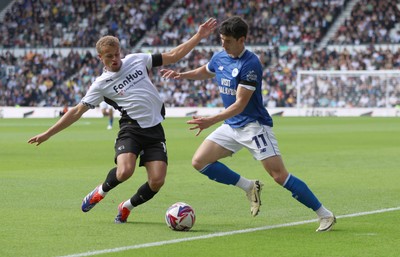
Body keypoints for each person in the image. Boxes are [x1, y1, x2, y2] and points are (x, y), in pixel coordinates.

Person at [27, 18, 217, 223]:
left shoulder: (136, 59)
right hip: (131, 129)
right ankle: (100, 191)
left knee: (157, 181)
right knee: (125, 171)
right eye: (109, 56)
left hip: (154, 130)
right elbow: (76, 111)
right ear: (101, 58)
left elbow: (172, 56)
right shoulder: (100, 85)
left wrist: (199, 36)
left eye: (117, 54)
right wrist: (47, 134)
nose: (115, 59)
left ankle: (126, 206)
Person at [161, 16, 336, 232]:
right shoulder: (220, 57)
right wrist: (181, 75)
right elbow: (206, 71)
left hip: (254, 126)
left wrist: (210, 120)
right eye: (221, 39)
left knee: (279, 176)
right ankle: (249, 186)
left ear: (241, 40)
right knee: (200, 162)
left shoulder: (250, 64)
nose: (223, 44)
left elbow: (240, 104)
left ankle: (324, 214)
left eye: (227, 41)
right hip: (232, 126)